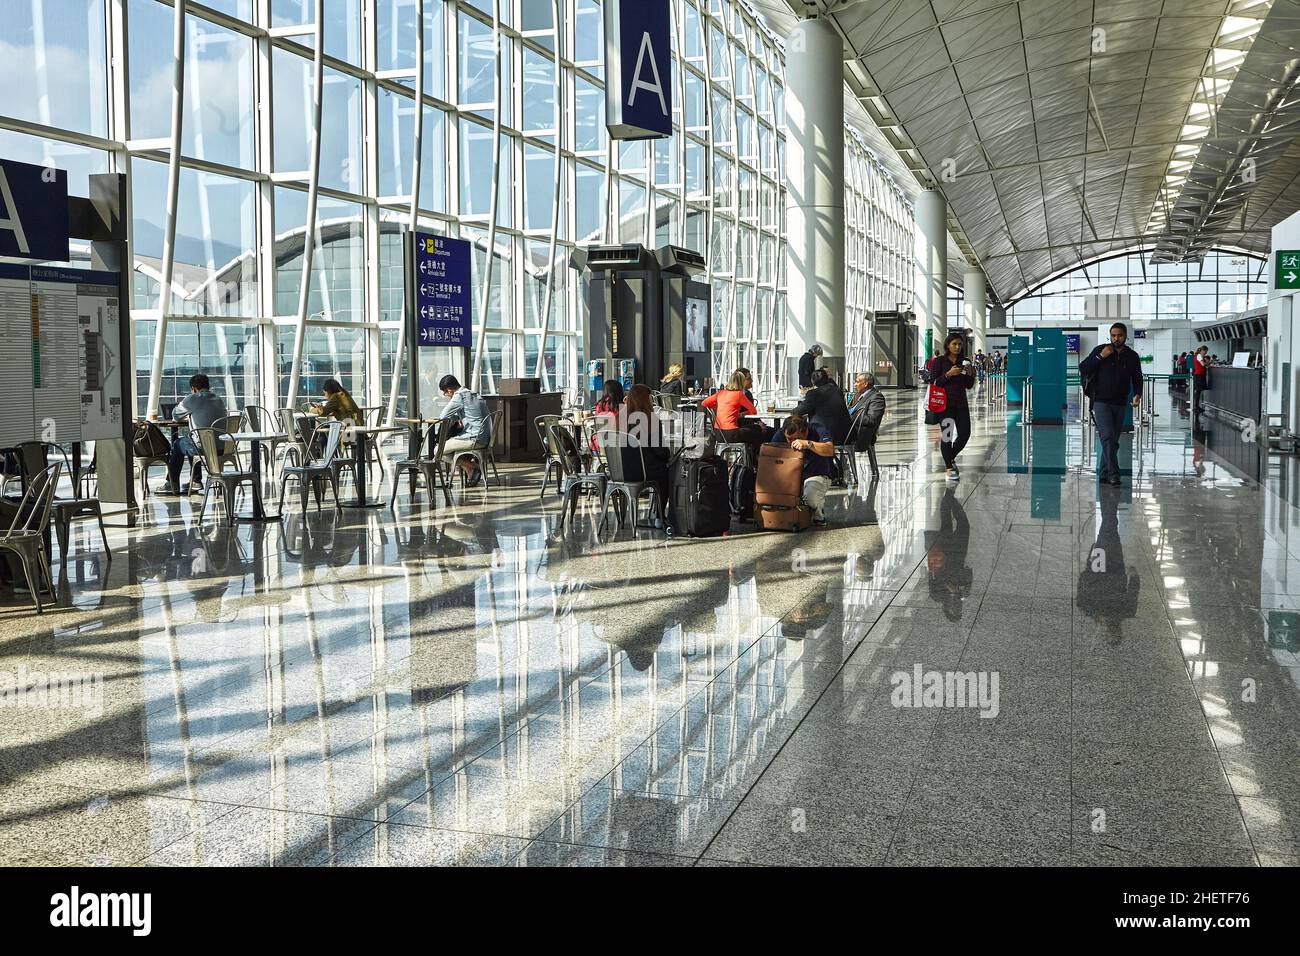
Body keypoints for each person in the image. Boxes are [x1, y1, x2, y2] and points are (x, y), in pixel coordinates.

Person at [1079, 322, 1143, 487]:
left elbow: (1137, 377)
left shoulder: (1132, 356)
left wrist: (1137, 393)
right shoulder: (1101, 350)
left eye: (1119, 335)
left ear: (1125, 336)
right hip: (1101, 401)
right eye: (1113, 335)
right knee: (1107, 436)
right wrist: (1101, 356)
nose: (1116, 338)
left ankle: (1104, 473)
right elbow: (1083, 368)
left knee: (1112, 440)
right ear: (1110, 336)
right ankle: (1114, 474)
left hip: (1120, 402)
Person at [157, 373, 228, 495]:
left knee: (179, 443)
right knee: (191, 440)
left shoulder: (193, 398)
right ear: (208, 386)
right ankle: (195, 481)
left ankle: (172, 483)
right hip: (223, 447)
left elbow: (175, 416)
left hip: (203, 448)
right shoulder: (218, 399)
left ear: (193, 388)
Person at [925, 332, 976, 481]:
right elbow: (933, 382)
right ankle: (949, 468)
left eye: (960, 344)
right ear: (948, 345)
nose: (957, 347)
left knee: (965, 433)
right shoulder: (939, 361)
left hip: (961, 404)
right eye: (954, 344)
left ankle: (950, 457)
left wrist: (969, 374)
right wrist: (949, 374)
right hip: (944, 405)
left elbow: (969, 385)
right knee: (947, 436)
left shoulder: (965, 361)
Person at [769, 414, 834, 526]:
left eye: (796, 438)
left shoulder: (818, 430)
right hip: (789, 475)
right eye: (789, 439)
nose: (792, 442)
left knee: (810, 496)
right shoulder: (780, 434)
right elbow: (771, 456)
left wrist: (808, 444)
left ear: (806, 432)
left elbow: (829, 449)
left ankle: (818, 512)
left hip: (816, 474)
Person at [617, 384, 671, 516]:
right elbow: (660, 451)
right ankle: (660, 515)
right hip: (645, 472)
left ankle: (623, 519)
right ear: (645, 400)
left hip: (621, 471)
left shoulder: (620, 418)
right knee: (669, 473)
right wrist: (669, 455)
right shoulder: (651, 420)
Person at [438, 374, 492, 486]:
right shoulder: (474, 394)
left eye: (445, 393)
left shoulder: (459, 395)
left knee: (438, 451)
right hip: (485, 438)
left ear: (449, 390)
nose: (446, 395)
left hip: (473, 438)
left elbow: (443, 416)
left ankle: (473, 467)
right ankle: (470, 471)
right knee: (450, 446)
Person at [702, 370, 764, 455]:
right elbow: (753, 411)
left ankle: (751, 459)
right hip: (731, 434)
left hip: (718, 434)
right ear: (742, 382)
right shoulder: (739, 394)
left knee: (751, 430)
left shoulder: (721, 393)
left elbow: (704, 403)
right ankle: (755, 459)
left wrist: (720, 407)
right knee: (757, 429)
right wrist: (742, 414)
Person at [794, 367, 853, 446]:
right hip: (845, 435)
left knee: (795, 434)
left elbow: (797, 412)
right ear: (827, 379)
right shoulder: (837, 390)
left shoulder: (814, 393)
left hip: (825, 437)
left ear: (812, 381)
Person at [849, 372, 886, 476]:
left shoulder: (876, 397)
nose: (855, 384)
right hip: (852, 430)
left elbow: (872, 420)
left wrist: (851, 416)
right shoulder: (859, 395)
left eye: (857, 382)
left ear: (865, 384)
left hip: (861, 435)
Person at [1192, 344, 1210, 412]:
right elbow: (1203, 364)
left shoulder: (1200, 356)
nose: (1206, 353)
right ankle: (1196, 406)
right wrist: (1210, 362)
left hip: (1200, 375)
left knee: (1199, 391)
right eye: (1205, 351)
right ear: (1202, 350)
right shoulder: (1199, 356)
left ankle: (1196, 406)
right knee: (1198, 391)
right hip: (1199, 375)